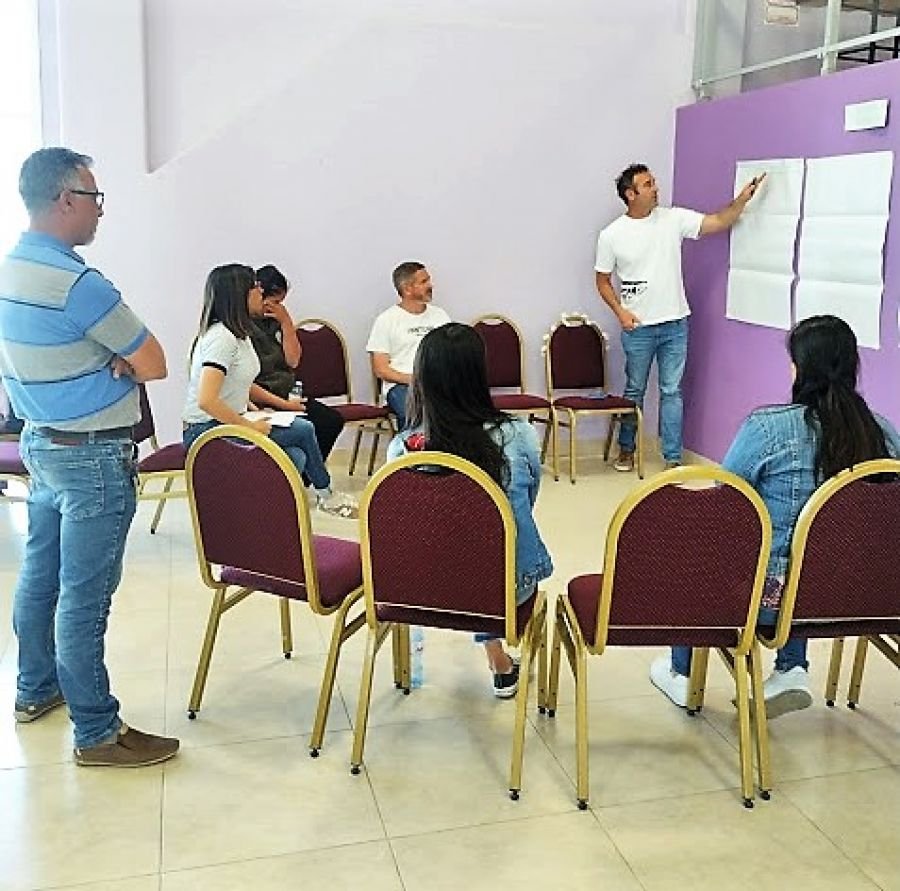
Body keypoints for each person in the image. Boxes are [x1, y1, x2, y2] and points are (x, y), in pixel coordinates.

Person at [0, 147, 179, 767]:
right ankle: (98, 731)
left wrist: (113, 361)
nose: (100, 212)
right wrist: (122, 363)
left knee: (41, 576)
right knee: (84, 595)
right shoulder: (78, 284)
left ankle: (34, 689)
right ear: (65, 199)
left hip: (40, 444)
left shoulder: (10, 270)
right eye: (95, 198)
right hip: (92, 457)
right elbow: (154, 362)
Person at [649, 315, 900, 718]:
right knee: (811, 552)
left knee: (707, 547)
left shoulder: (769, 429)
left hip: (768, 604)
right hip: (861, 595)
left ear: (799, 368)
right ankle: (792, 667)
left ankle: (682, 675)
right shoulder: (884, 435)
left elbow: (726, 503)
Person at [387, 323, 553, 698]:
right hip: (504, 590)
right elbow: (525, 504)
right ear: (479, 375)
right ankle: (499, 660)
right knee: (491, 553)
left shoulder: (402, 449)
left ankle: (496, 658)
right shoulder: (518, 435)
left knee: (458, 550)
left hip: (420, 589)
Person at [595, 163, 765, 471]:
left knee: (671, 391)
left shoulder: (673, 219)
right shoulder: (611, 235)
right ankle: (626, 448)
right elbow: (602, 281)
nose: (655, 188)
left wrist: (741, 200)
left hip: (676, 323)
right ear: (631, 194)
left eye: (654, 182)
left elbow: (717, 221)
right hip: (639, 327)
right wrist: (620, 311)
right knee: (634, 389)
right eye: (648, 184)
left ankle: (672, 457)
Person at [182, 264, 357, 519]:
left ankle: (275, 512)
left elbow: (239, 384)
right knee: (304, 429)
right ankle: (325, 495)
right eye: (255, 287)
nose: (260, 292)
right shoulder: (221, 339)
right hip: (205, 431)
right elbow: (207, 400)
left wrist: (268, 409)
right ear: (239, 294)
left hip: (225, 422)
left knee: (296, 456)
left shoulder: (238, 336)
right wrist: (248, 426)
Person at [249, 264, 345, 462]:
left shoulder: (275, 321)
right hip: (263, 395)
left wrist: (286, 324)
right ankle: (306, 478)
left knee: (331, 421)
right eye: (274, 301)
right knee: (304, 430)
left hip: (285, 390)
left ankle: (306, 478)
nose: (278, 307)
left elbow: (293, 361)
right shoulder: (242, 328)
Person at [367, 261, 451, 431]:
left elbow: (452, 354)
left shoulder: (440, 316)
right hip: (403, 386)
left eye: (429, 280)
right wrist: (416, 379)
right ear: (407, 289)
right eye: (424, 282)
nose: (430, 285)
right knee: (414, 412)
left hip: (438, 384)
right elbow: (381, 369)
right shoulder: (386, 320)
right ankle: (413, 455)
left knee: (465, 408)